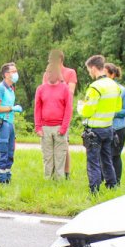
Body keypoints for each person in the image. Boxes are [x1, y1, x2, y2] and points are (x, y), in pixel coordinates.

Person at [78, 55, 121, 193]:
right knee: (107, 160)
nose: (89, 73)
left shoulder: (95, 87)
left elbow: (87, 111)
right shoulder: (114, 86)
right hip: (108, 128)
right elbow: (118, 107)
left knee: (93, 162)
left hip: (95, 130)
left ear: (93, 68)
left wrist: (80, 106)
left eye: (89, 70)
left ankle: (94, 191)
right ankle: (112, 186)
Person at [34, 64, 73, 180]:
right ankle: (48, 179)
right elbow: (37, 109)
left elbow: (68, 109)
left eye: (53, 71)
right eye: (48, 72)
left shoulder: (65, 89)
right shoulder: (40, 89)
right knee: (47, 156)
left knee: (60, 156)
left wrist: (64, 128)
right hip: (45, 128)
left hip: (60, 127)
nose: (50, 74)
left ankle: (59, 179)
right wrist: (38, 127)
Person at [46, 49, 78, 179]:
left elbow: (70, 93)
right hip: (49, 114)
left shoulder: (70, 73)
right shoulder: (47, 73)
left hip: (63, 114)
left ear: (59, 59)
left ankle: (66, 172)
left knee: (64, 145)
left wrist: (60, 78)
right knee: (49, 146)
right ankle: (52, 173)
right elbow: (45, 90)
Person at [0, 62, 22, 184]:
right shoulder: (0, 88)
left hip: (10, 123)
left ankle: (8, 177)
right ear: (6, 74)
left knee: (10, 152)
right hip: (1, 123)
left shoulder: (11, 88)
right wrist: (11, 108)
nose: (16, 74)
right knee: (3, 152)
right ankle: (1, 181)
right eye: (13, 72)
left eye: (16, 71)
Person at [105, 62, 125, 184]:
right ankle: (106, 181)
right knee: (105, 157)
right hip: (103, 127)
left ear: (112, 75)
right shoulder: (100, 89)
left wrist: (113, 113)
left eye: (105, 74)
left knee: (115, 156)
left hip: (118, 128)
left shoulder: (121, 90)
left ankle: (116, 182)